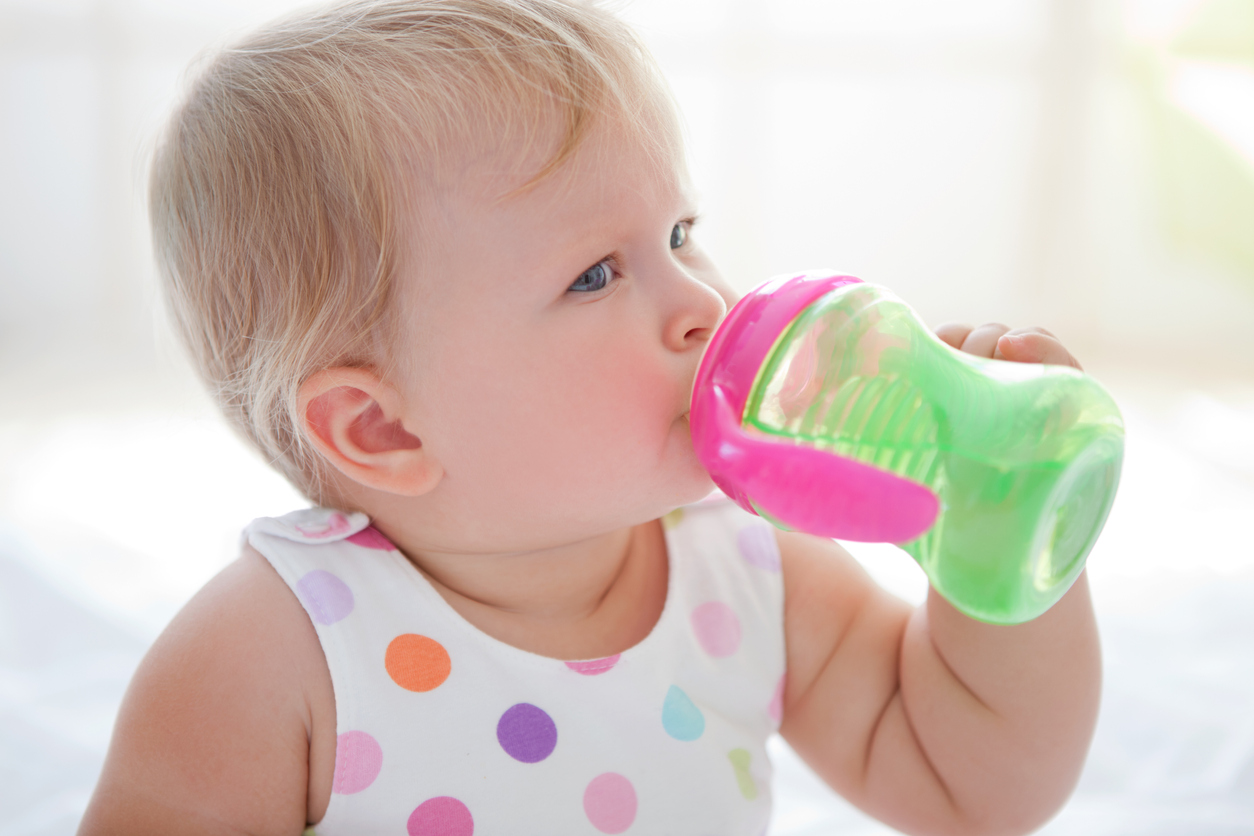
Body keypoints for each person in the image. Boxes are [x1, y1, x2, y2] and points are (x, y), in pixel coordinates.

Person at [79, 1, 1101, 833]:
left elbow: (974, 785)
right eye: (597, 274)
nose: (703, 301)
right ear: (384, 429)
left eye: (680, 231)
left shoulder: (746, 570)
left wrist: (1004, 553)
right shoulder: (270, 656)